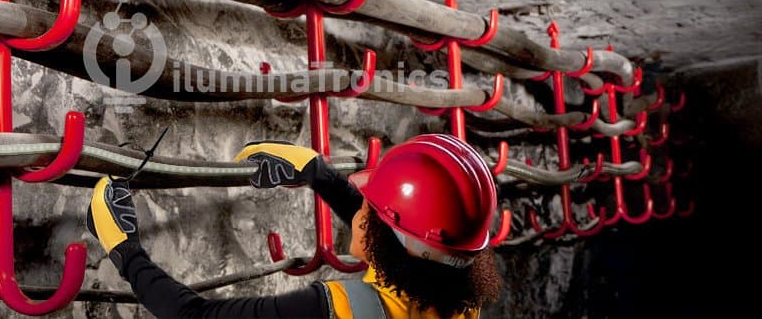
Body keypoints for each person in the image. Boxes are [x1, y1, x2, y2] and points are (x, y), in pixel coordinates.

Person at [87, 133, 503, 318]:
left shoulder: (344, 311)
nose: (361, 212)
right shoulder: (460, 298)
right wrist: (319, 175)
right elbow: (404, 242)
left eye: (370, 210)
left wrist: (125, 251)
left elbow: (191, 315)